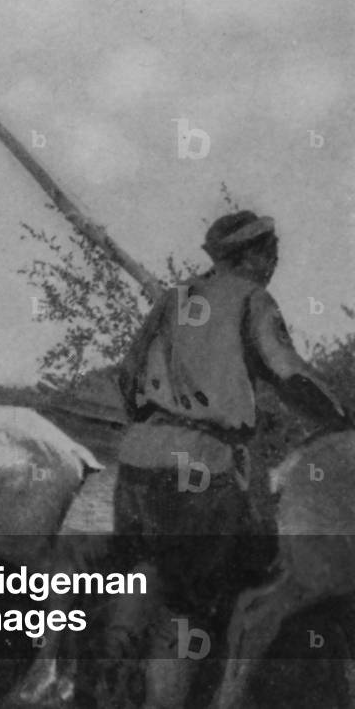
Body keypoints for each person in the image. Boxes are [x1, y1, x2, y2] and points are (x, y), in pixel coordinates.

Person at [108, 211, 350, 706]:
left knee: (144, 586)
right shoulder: (252, 298)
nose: (275, 263)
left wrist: (159, 418)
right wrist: (340, 418)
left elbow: (128, 374)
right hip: (199, 466)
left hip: (137, 462)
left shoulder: (174, 299)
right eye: (272, 253)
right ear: (258, 255)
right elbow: (290, 374)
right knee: (191, 610)